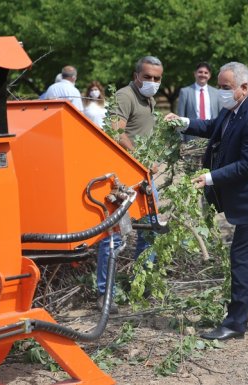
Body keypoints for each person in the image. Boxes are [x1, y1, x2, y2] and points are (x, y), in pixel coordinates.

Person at [165, 62, 248, 340]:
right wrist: (184, 122)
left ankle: (235, 324)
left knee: (243, 259)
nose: (221, 93)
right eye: (220, 87)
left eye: (226, 88)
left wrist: (209, 177)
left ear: (244, 87)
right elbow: (213, 127)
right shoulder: (233, 110)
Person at [96, 56, 164, 312]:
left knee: (151, 230)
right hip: (122, 179)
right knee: (112, 237)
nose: (152, 82)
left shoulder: (150, 99)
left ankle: (141, 284)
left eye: (157, 78)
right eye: (147, 77)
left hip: (142, 177)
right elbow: (115, 130)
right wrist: (142, 157)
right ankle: (105, 294)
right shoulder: (125, 96)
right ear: (137, 76)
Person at [177, 62, 221, 141]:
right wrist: (180, 141)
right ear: (195, 74)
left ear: (209, 75)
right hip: (191, 137)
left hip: (211, 137)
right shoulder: (185, 92)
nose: (203, 75)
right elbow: (180, 117)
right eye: (200, 72)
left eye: (206, 73)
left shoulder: (217, 93)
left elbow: (220, 116)